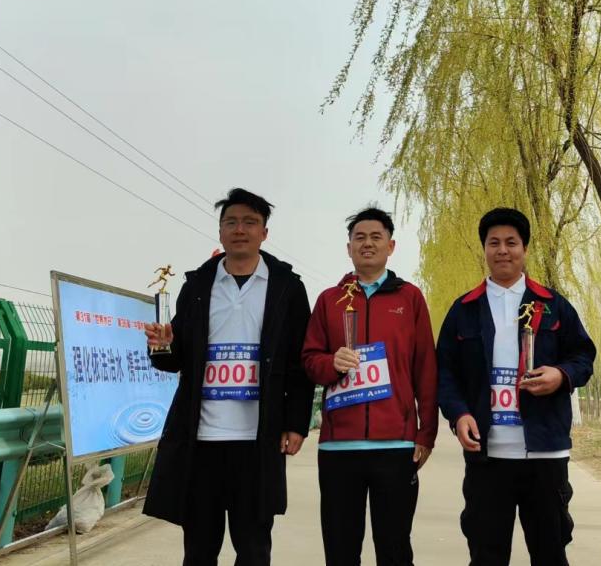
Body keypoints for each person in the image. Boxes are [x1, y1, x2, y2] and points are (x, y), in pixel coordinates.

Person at [143, 187, 314, 566]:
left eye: (250, 222)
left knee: (254, 549)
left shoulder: (287, 288)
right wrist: (162, 346)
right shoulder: (198, 285)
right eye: (231, 222)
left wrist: (296, 423)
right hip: (202, 439)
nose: (240, 230)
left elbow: (298, 363)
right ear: (220, 232)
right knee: (199, 549)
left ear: (264, 233)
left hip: (257, 440)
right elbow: (176, 358)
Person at [435, 207, 596, 566]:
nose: (503, 250)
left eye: (511, 242)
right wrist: (459, 414)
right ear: (484, 249)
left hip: (545, 454)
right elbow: (445, 372)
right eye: (494, 243)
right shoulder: (464, 309)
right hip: (488, 457)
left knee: (550, 553)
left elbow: (583, 356)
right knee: (486, 555)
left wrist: (561, 375)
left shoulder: (553, 306)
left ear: (525, 249)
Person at [303, 206, 438, 566]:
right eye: (359, 237)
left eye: (376, 237)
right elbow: (309, 360)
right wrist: (330, 363)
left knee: (394, 549)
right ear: (348, 247)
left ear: (390, 246)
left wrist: (426, 433)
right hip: (338, 447)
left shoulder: (409, 298)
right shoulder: (329, 300)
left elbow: (426, 368)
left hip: (396, 446)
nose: (367, 244)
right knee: (340, 550)